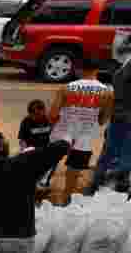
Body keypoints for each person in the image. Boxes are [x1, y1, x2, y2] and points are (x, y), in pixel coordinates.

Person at [48, 58, 114, 204]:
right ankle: (66, 197)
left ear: (80, 70)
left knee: (49, 162)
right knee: (74, 169)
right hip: (85, 136)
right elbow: (103, 119)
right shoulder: (107, 92)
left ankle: (41, 190)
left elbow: (52, 115)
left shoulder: (66, 87)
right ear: (97, 71)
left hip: (62, 133)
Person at [88, 55, 131, 193]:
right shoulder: (124, 70)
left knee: (110, 152)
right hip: (125, 118)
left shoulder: (121, 70)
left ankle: (96, 182)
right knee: (125, 153)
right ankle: (118, 182)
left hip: (118, 117)